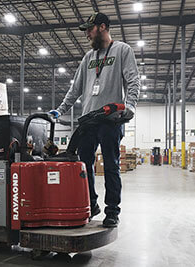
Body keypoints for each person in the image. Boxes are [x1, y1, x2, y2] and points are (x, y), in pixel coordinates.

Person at [49, 12, 140, 227]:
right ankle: (91, 203)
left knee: (111, 166)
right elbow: (75, 89)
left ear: (102, 27)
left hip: (111, 119)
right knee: (82, 164)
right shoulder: (88, 58)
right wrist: (60, 111)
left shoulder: (122, 51)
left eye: (89, 29)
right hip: (88, 120)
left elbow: (133, 81)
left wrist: (131, 106)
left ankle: (112, 211)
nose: (87, 34)